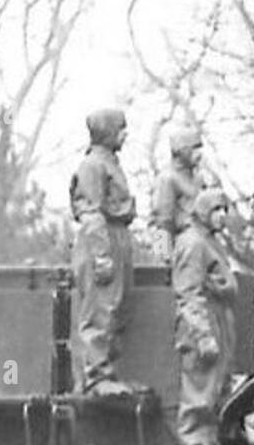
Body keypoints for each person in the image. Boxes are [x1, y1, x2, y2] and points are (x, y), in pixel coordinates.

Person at [71, 107, 137, 397]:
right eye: (120, 128)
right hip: (101, 239)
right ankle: (95, 377)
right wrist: (101, 254)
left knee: (116, 308)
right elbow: (90, 211)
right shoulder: (93, 166)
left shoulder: (110, 163)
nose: (125, 134)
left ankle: (108, 373)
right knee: (99, 309)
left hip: (116, 236)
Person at [172, 188, 238, 445]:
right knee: (199, 399)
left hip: (218, 319)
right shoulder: (193, 243)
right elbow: (188, 294)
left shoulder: (209, 242)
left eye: (224, 209)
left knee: (218, 396)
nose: (222, 216)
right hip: (203, 325)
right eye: (215, 210)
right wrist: (202, 336)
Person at [151, 123, 207, 260]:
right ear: (182, 150)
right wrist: (163, 255)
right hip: (183, 249)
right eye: (194, 148)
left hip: (202, 245)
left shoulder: (198, 179)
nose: (199, 154)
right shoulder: (167, 178)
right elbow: (161, 221)